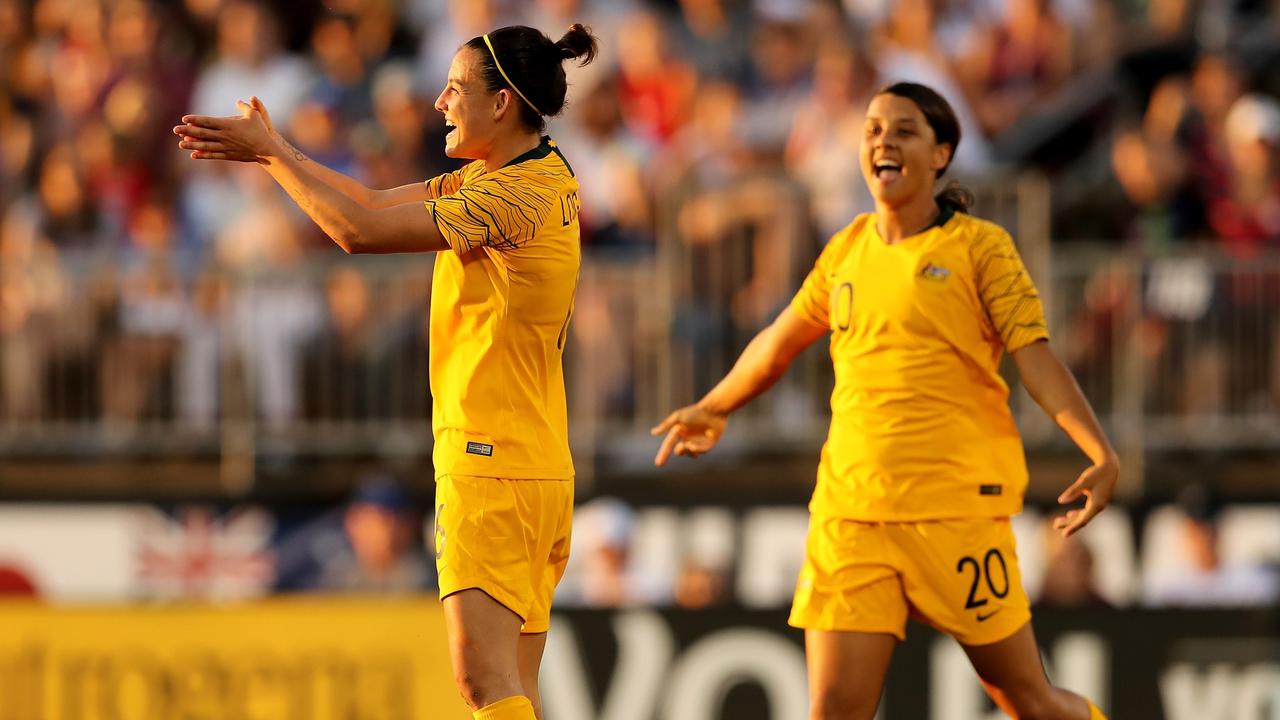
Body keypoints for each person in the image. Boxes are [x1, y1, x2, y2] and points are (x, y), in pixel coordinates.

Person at [652, 82, 1116, 720]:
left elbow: (1036, 358)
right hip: (852, 511)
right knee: (834, 709)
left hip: (954, 509)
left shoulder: (980, 248)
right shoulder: (845, 248)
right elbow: (778, 342)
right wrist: (716, 404)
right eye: (872, 129)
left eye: (903, 130)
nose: (882, 141)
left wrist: (1099, 451)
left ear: (941, 154)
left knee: (1030, 704)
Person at [175, 23, 599, 720]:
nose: (439, 101)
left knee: (484, 684)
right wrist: (274, 149)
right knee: (512, 688)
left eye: (456, 88)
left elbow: (356, 232)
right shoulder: (528, 175)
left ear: (501, 105)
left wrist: (270, 157)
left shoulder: (506, 199)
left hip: (491, 464)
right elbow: (368, 203)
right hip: (537, 463)